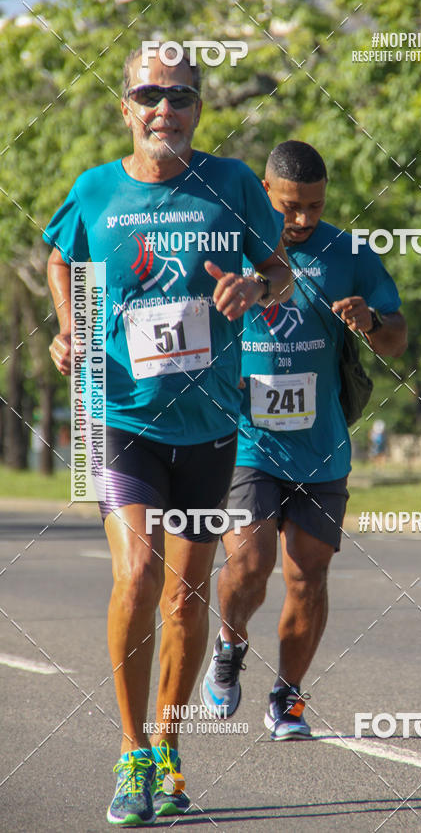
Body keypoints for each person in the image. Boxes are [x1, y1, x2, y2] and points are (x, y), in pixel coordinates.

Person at [44, 45, 292, 825]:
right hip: (121, 416)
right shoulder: (95, 189)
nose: (165, 109)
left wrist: (257, 285)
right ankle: (131, 754)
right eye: (150, 94)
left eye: (180, 96)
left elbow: (281, 270)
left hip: (210, 426)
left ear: (198, 109)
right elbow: (59, 258)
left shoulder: (233, 184)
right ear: (126, 107)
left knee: (186, 602)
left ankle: (169, 749)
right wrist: (68, 327)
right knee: (139, 574)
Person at [202, 140, 407, 739]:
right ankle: (229, 641)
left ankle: (287, 698)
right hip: (248, 439)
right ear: (264, 191)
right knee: (250, 563)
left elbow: (397, 338)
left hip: (322, 446)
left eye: (314, 206)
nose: (302, 218)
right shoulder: (231, 247)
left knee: (307, 577)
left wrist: (372, 322)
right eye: (290, 205)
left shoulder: (350, 252)